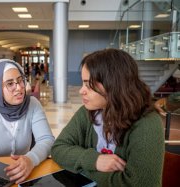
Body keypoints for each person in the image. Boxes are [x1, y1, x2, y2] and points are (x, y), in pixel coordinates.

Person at [51, 48, 165, 186]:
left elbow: (139, 184)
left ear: (113, 84)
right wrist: (95, 161)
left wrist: (83, 168)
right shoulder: (87, 112)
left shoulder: (148, 125)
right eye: (83, 83)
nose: (81, 91)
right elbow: (58, 148)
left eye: (88, 84)